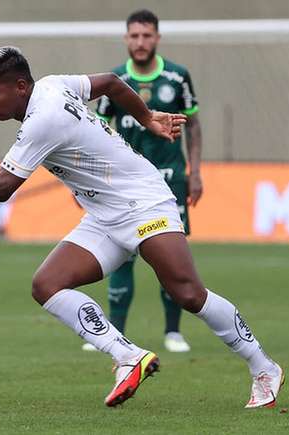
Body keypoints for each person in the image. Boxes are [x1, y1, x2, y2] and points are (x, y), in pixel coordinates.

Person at [0, 46, 283, 408]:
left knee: (187, 293)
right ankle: (127, 356)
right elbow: (112, 84)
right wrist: (147, 117)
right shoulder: (54, 84)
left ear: (20, 86)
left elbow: (3, 187)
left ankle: (264, 368)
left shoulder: (43, 118)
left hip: (142, 201)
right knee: (47, 285)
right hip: (103, 215)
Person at [86, 9, 204, 354]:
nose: (141, 42)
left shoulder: (178, 77)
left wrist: (195, 172)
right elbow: (98, 130)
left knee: (171, 256)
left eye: (147, 35)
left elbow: (194, 125)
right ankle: (116, 331)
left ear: (157, 38)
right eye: (135, 36)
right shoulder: (114, 81)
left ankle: (173, 331)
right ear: (126, 39)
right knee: (122, 254)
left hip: (169, 179)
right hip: (123, 184)